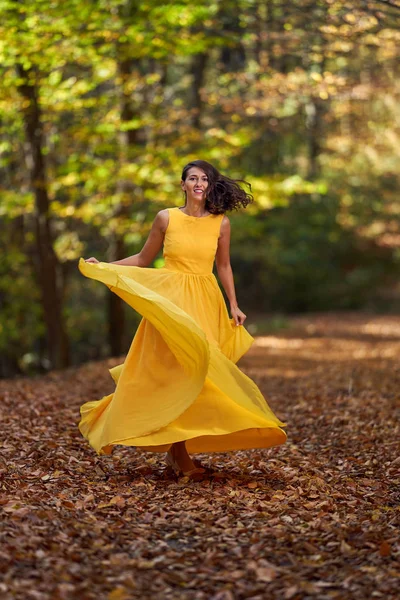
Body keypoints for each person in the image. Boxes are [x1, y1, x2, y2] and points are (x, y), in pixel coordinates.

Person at [80, 159, 286, 479]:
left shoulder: (221, 223)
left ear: (210, 185)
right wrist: (106, 266)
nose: (199, 183)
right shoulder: (166, 218)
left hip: (205, 301)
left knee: (200, 373)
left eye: (204, 178)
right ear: (183, 185)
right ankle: (179, 454)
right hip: (170, 303)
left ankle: (179, 452)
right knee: (173, 373)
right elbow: (143, 259)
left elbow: (224, 267)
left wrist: (234, 304)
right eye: (192, 178)